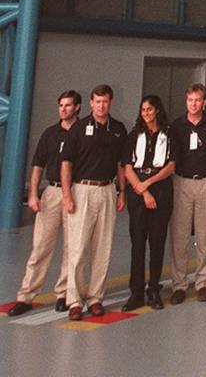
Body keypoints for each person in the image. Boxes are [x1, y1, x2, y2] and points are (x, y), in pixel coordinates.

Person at [8, 90, 82, 316]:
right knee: (40, 246)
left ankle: (64, 294)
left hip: (77, 192)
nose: (63, 109)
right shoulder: (50, 134)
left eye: (68, 105)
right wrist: (33, 194)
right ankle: (26, 295)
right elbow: (38, 165)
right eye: (61, 105)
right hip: (52, 192)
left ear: (77, 107)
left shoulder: (84, 132)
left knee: (72, 248)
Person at [60, 84, 127, 320]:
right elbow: (66, 163)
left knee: (103, 247)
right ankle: (74, 301)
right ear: (90, 103)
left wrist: (122, 192)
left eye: (105, 101)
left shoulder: (118, 129)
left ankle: (96, 298)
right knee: (77, 248)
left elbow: (121, 164)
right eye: (97, 101)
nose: (101, 106)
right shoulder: (78, 128)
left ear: (111, 102)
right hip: (82, 190)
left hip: (107, 190)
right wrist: (67, 195)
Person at [122, 95, 175, 311]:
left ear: (157, 111)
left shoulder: (169, 135)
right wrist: (143, 190)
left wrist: (150, 183)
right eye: (143, 110)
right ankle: (136, 292)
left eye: (150, 109)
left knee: (157, 242)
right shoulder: (134, 135)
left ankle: (154, 289)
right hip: (138, 190)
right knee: (137, 242)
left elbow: (171, 165)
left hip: (160, 188)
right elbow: (127, 167)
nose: (146, 113)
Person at [169, 82, 206, 304]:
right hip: (182, 182)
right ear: (185, 101)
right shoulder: (176, 126)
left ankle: (203, 283)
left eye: (198, 100)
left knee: (205, 236)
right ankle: (179, 284)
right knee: (179, 236)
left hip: (205, 181)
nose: (194, 104)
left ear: (204, 102)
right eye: (190, 100)